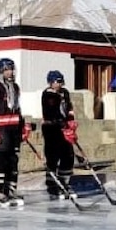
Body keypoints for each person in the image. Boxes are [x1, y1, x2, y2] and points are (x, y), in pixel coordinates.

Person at [0, 57, 30, 207]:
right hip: (1, 129)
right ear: (2, 70)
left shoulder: (15, 87)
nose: (11, 72)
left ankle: (10, 190)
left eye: (12, 69)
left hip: (13, 129)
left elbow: (17, 107)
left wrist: (23, 126)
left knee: (13, 160)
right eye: (8, 69)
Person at [40, 70, 79, 200]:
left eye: (61, 81)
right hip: (52, 128)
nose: (60, 84)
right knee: (52, 157)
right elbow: (51, 112)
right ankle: (52, 186)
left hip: (65, 129)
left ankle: (64, 183)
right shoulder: (48, 95)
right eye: (57, 81)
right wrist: (62, 124)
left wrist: (71, 121)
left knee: (68, 155)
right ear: (51, 82)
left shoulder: (65, 93)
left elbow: (69, 108)